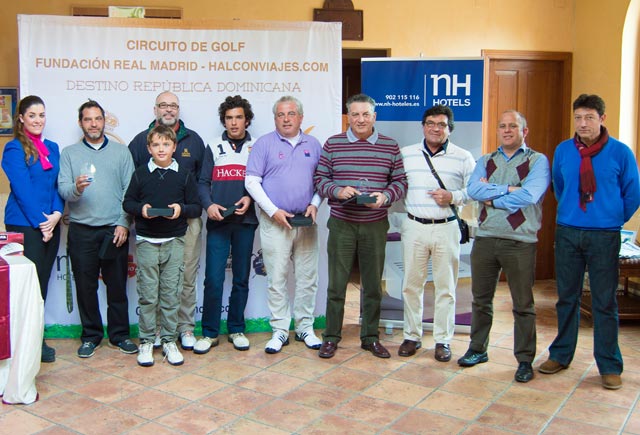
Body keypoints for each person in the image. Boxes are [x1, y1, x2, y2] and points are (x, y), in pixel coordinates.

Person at [538, 94, 640, 390]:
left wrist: (611, 217)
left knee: (604, 301)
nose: (583, 124)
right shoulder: (563, 150)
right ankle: (560, 355)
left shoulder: (621, 153)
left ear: (602, 119)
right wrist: (573, 213)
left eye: (589, 118)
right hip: (568, 231)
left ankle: (609, 365)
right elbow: (559, 185)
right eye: (579, 118)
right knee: (566, 297)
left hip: (605, 235)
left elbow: (632, 193)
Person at [457, 110, 550, 383]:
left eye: (513, 126)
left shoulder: (537, 161)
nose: (507, 130)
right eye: (503, 126)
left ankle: (524, 360)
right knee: (481, 300)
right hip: (485, 239)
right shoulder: (486, 160)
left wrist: (494, 195)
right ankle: (477, 349)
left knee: (523, 304)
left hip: (520, 241)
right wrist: (511, 190)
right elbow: (474, 191)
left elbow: (530, 195)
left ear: (525, 131)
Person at [315, 93, 407, 359]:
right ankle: (331, 336)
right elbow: (320, 179)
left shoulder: (390, 146)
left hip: (375, 225)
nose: (360, 119)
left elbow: (400, 182)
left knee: (372, 285)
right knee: (336, 285)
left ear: (374, 116)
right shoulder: (333, 144)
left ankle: (369, 337)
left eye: (366, 114)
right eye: (355, 114)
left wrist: (385, 197)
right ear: (348, 117)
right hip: (342, 223)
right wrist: (337, 190)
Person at [58, 99, 137, 358]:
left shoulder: (121, 152)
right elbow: (64, 190)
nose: (93, 123)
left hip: (114, 229)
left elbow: (130, 190)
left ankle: (120, 335)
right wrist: (77, 188)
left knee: (116, 287)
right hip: (81, 230)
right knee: (85, 287)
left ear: (105, 121)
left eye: (98, 118)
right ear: (81, 123)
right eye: (88, 119)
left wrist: (124, 223)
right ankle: (91, 336)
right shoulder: (69, 153)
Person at [245, 95, 323, 354]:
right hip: (275, 222)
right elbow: (251, 182)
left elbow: (322, 181)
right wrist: (273, 211)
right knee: (276, 278)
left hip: (306, 221)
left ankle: (304, 328)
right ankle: (279, 329)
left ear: (301, 117)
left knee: (307, 278)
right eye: (281, 114)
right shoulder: (263, 144)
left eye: (291, 114)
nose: (286, 119)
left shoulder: (313, 143)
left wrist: (315, 204)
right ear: (275, 118)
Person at [128, 91, 205, 351]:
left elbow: (201, 184)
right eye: (163, 105)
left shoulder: (194, 140)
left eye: (173, 105)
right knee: (152, 286)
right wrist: (141, 210)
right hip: (150, 230)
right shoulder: (140, 141)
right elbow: (133, 186)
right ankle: (156, 333)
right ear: (155, 109)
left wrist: (182, 209)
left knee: (184, 278)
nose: (168, 109)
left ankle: (183, 329)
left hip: (184, 224)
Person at [398, 105, 475, 361]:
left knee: (446, 287)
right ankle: (412, 336)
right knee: (411, 285)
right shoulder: (406, 154)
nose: (435, 128)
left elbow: (474, 190)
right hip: (414, 227)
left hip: (446, 227)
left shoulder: (463, 157)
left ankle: (443, 340)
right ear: (423, 126)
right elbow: (396, 185)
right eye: (430, 123)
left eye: (441, 124)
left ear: (449, 129)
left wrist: (453, 196)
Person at [1, 95, 64, 363]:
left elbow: (57, 185)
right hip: (25, 225)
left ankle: (36, 339)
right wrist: (42, 223)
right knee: (27, 287)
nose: (38, 120)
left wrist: (57, 215)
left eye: (42, 115)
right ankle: (23, 342)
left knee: (41, 286)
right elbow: (23, 190)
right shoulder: (14, 149)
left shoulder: (52, 147)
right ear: (21, 118)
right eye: (32, 115)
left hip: (50, 223)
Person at [194, 95, 258, 354]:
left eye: (239, 117)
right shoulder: (213, 146)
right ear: (224, 120)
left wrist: (249, 198)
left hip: (246, 220)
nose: (234, 123)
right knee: (214, 279)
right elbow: (202, 183)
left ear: (247, 120)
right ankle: (210, 332)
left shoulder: (258, 146)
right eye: (229, 118)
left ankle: (236, 328)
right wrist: (209, 205)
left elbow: (262, 181)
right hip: (218, 222)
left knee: (241, 277)